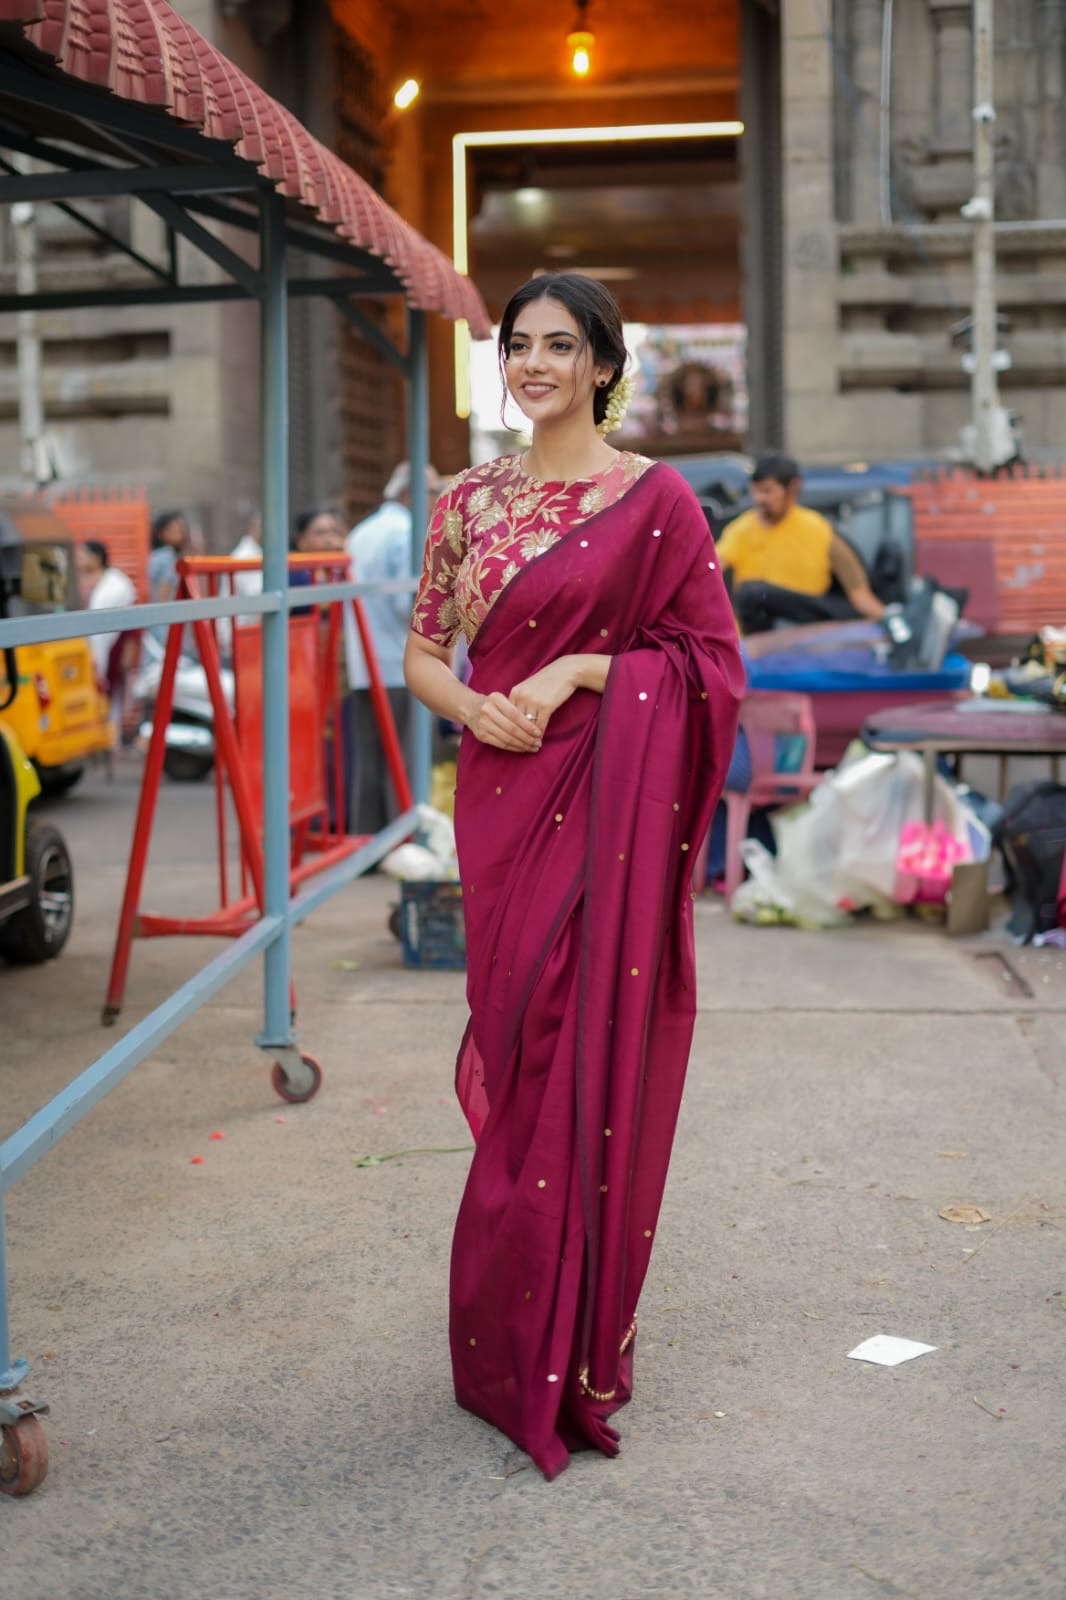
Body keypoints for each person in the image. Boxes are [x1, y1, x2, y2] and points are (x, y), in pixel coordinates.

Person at [404, 272, 744, 1480]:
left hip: (603, 807)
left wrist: (585, 673)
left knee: (570, 1045)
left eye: (560, 345)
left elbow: (708, 663)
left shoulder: (655, 501)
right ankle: (505, 1334)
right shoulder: (465, 499)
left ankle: (567, 1338)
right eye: (519, 344)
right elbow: (422, 648)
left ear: (604, 363)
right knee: (512, 1046)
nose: (534, 363)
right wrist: (476, 708)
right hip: (501, 804)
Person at [343, 461, 443, 836]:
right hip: (403, 662)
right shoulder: (407, 532)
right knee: (408, 760)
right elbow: (412, 606)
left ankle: (368, 840)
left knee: (370, 760)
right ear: (410, 493)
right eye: (432, 492)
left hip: (365, 663)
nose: (437, 500)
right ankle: (405, 840)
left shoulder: (362, 531)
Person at [716, 454, 885, 634]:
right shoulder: (740, 531)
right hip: (762, 634)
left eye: (767, 491)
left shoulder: (819, 529)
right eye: (755, 491)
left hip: (808, 626)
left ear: (793, 488)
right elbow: (712, 569)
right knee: (753, 593)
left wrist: (889, 619)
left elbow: (859, 594)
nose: (760, 499)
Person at [76, 539, 139, 724]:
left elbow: (131, 622)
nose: (78, 559)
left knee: (110, 695)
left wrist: (129, 651)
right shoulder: (75, 581)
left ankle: (110, 737)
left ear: (96, 558)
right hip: (80, 647)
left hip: (110, 647)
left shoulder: (118, 584)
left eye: (82, 555)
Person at [146, 509, 189, 645]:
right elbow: (163, 596)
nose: (179, 533)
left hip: (154, 620)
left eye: (180, 529)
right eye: (173, 529)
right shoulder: (168, 557)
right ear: (161, 533)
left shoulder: (156, 555)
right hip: (163, 622)